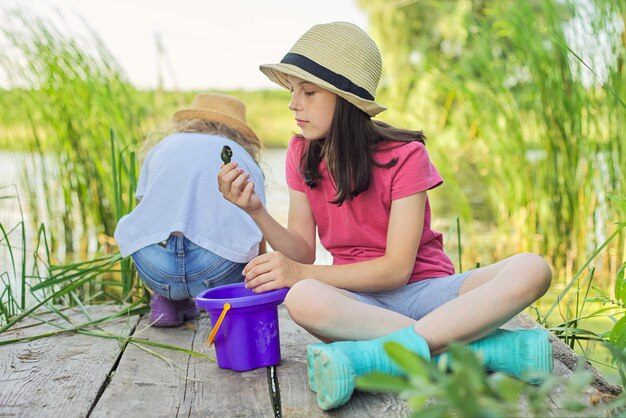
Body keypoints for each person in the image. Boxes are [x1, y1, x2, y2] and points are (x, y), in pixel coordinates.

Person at [218, 22, 552, 410]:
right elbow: (303, 251)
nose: (294, 104)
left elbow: (396, 271)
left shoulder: (406, 156)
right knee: (303, 298)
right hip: (358, 304)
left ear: (345, 101)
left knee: (533, 268)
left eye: (308, 92)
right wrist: (255, 209)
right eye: (293, 91)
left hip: (427, 294)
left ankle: (377, 357)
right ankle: (483, 350)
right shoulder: (301, 153)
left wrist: (300, 273)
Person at [115, 93, 266, 327]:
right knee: (243, 240)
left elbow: (144, 209)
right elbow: (258, 228)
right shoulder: (240, 156)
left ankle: (167, 300)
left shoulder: (162, 147)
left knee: (155, 234)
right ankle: (228, 306)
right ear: (239, 132)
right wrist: (259, 284)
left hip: (155, 269)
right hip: (217, 273)